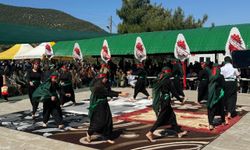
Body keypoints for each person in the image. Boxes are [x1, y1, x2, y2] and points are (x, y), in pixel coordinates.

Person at [146, 67, 187, 142]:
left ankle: (179, 132)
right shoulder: (168, 81)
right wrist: (181, 100)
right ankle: (150, 132)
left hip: (163, 99)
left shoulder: (161, 80)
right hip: (166, 101)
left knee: (172, 117)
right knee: (161, 118)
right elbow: (174, 92)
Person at [86, 73, 128, 144]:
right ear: (100, 79)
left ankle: (107, 136)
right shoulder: (97, 87)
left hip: (104, 104)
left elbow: (109, 91)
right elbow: (107, 93)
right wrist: (119, 94)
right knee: (100, 122)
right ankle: (89, 132)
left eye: (106, 78)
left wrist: (120, 92)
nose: (106, 79)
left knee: (108, 121)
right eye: (105, 78)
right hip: (98, 106)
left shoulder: (105, 84)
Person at [207, 63, 227, 130]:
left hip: (211, 95)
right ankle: (223, 121)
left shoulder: (210, 75)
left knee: (211, 109)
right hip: (218, 95)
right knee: (221, 108)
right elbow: (224, 86)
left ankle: (210, 124)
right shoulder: (220, 76)